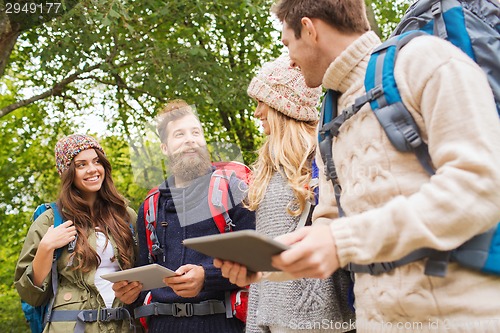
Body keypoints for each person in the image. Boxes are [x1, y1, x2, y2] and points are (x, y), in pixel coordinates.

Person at [265, 0, 500, 331]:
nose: (289, 60)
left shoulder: (424, 61)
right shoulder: (328, 119)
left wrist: (341, 241)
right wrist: (267, 264)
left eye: (288, 43)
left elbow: (481, 187)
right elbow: (330, 224)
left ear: (309, 28)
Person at [215, 54, 355, 333]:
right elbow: (266, 267)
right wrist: (255, 325)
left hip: (330, 323)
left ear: (282, 105)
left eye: (260, 103)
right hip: (274, 322)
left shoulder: (325, 157)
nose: (256, 113)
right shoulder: (269, 170)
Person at [112, 100, 256, 333]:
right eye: (179, 134)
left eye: (195, 132)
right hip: (162, 325)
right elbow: (145, 272)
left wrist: (206, 276)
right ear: (165, 148)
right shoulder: (150, 207)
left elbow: (257, 259)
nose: (190, 139)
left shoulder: (235, 191)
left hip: (223, 323)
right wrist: (131, 293)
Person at [14, 134, 139, 332]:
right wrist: (46, 248)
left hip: (123, 326)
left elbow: (142, 274)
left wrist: (136, 291)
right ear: (67, 173)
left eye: (97, 161)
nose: (92, 169)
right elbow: (31, 295)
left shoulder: (125, 216)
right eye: (81, 164)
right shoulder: (49, 220)